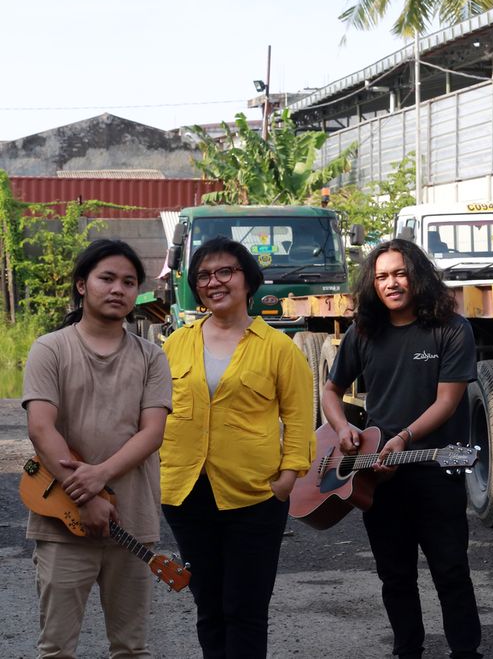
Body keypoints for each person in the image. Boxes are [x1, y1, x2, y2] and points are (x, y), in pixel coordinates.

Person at [321, 238, 482, 659]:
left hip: (434, 468)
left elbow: (447, 401)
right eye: (381, 277)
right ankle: (406, 650)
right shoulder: (364, 331)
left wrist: (404, 437)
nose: (391, 283)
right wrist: (340, 428)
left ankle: (466, 652)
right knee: (395, 576)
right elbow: (331, 390)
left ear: (417, 276)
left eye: (399, 273)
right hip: (377, 473)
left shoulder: (451, 327)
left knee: (451, 571)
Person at [160, 237, 314, 659]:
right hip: (186, 492)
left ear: (248, 280)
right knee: (208, 606)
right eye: (204, 275)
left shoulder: (278, 348)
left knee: (245, 609)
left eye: (226, 271)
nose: (214, 282)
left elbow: (300, 417)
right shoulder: (176, 344)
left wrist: (286, 479)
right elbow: (153, 412)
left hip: (255, 495)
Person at [22, 239, 172, 658]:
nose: (118, 289)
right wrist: (83, 494)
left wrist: (100, 476)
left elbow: (152, 433)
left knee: (130, 648)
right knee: (56, 649)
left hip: (133, 521)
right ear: (82, 285)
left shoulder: (151, 358)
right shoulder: (50, 349)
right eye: (107, 278)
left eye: (128, 282)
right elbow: (40, 428)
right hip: (60, 518)